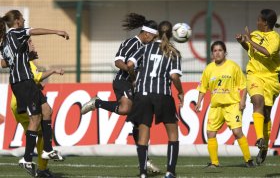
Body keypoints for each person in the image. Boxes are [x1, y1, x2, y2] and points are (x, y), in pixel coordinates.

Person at [81, 13, 160, 173]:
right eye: (153, 37)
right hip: (123, 81)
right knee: (125, 109)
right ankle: (97, 102)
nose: (153, 41)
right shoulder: (132, 43)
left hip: (137, 86)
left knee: (140, 124)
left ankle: (144, 161)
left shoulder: (147, 48)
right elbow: (117, 61)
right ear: (146, 34)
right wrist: (131, 72)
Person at [0, 10, 69, 177]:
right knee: (35, 118)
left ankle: (47, 150)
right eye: (22, 18)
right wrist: (57, 31)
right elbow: (34, 30)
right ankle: (27, 159)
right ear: (17, 21)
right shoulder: (16, 32)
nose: (24, 21)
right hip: (24, 82)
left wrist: (25, 56)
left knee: (47, 111)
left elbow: (3, 63)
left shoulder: (4, 42)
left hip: (23, 82)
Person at [127, 20, 184, 178]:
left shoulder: (145, 48)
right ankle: (170, 172)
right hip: (162, 95)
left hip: (142, 94)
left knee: (144, 133)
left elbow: (130, 64)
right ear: (171, 34)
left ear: (157, 33)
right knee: (172, 134)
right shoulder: (173, 52)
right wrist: (180, 91)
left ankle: (143, 173)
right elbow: (174, 76)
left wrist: (134, 79)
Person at [195, 41, 255, 168]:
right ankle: (214, 162)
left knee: (237, 132)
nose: (217, 53)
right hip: (216, 107)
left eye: (220, 50)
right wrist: (199, 102)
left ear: (225, 52)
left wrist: (243, 100)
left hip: (231, 105)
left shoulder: (233, 66)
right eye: (215, 51)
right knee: (210, 133)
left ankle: (248, 160)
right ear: (212, 54)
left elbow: (243, 85)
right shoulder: (209, 69)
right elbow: (203, 87)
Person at [9, 39, 63, 177]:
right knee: (41, 128)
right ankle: (34, 161)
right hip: (23, 100)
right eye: (31, 43)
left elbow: (32, 80)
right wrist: (53, 70)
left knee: (43, 125)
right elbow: (37, 77)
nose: (34, 45)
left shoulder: (25, 61)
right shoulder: (25, 60)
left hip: (22, 100)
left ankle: (39, 162)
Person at [236, 9, 280, 165]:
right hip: (254, 74)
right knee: (257, 101)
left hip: (270, 78)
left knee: (267, 115)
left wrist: (249, 40)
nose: (257, 22)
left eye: (259, 20)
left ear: (266, 23)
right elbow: (251, 50)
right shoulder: (254, 35)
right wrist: (243, 41)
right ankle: (260, 138)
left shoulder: (275, 38)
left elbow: (267, 53)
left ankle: (264, 148)